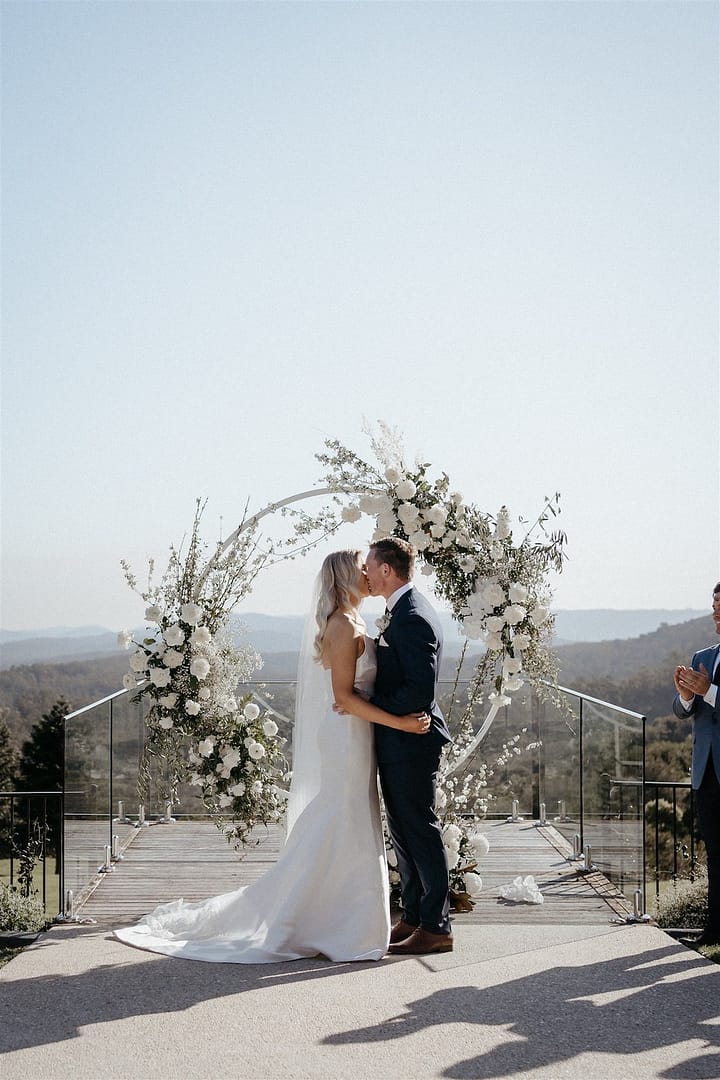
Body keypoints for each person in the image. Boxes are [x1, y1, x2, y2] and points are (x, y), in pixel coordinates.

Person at [114, 550, 430, 964]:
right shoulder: (340, 625)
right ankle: (326, 922)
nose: (369, 575)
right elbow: (343, 699)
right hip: (345, 736)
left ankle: (340, 920)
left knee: (350, 817)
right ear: (344, 579)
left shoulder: (356, 621)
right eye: (362, 570)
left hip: (358, 734)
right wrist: (400, 723)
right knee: (344, 815)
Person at [363, 536, 453, 955]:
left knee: (420, 828)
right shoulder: (399, 611)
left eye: (369, 565)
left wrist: (368, 705)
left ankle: (437, 926)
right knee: (402, 830)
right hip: (397, 737)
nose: (365, 572)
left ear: (386, 569)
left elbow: (418, 690)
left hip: (412, 738)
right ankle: (415, 916)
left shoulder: (413, 617)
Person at [673, 581, 720, 947]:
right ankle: (715, 930)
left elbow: (711, 698)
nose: (716, 614)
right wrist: (688, 697)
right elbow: (681, 710)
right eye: (714, 607)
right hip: (706, 773)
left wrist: (710, 691)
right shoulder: (702, 656)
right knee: (715, 854)